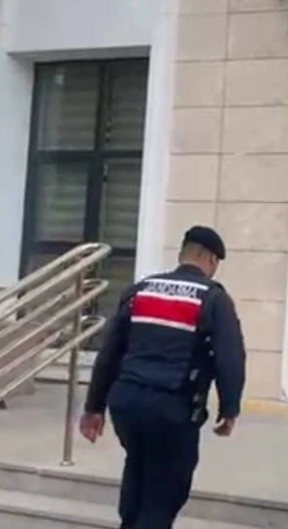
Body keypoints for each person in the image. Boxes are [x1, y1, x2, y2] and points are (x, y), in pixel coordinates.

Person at [79, 226, 246, 529]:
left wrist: (94, 407)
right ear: (210, 259)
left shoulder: (140, 290)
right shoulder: (213, 298)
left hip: (126, 404)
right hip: (172, 408)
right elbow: (230, 357)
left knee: (138, 469)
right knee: (165, 492)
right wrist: (229, 408)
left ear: (182, 254)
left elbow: (110, 353)